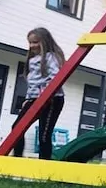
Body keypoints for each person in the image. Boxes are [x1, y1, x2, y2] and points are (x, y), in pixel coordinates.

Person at [11, 27, 65, 160]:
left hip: (52, 99)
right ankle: (17, 159)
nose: (32, 46)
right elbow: (33, 83)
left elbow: (55, 77)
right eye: (30, 43)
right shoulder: (32, 60)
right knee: (17, 127)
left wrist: (46, 93)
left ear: (45, 42)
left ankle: (44, 164)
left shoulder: (51, 57)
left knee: (44, 134)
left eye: (36, 42)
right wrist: (28, 98)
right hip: (34, 98)